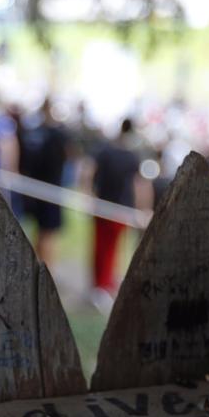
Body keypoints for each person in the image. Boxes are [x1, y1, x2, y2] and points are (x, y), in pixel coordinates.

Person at [90, 118, 150, 309]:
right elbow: (139, 184)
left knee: (102, 247)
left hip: (105, 206)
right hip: (119, 208)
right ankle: (103, 284)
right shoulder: (131, 156)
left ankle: (102, 283)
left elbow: (90, 174)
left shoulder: (105, 151)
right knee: (111, 247)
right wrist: (143, 207)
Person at [20, 99, 70, 267]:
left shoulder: (34, 133)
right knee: (47, 235)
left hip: (37, 190)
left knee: (41, 233)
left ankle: (39, 267)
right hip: (49, 191)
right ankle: (45, 269)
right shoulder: (56, 135)